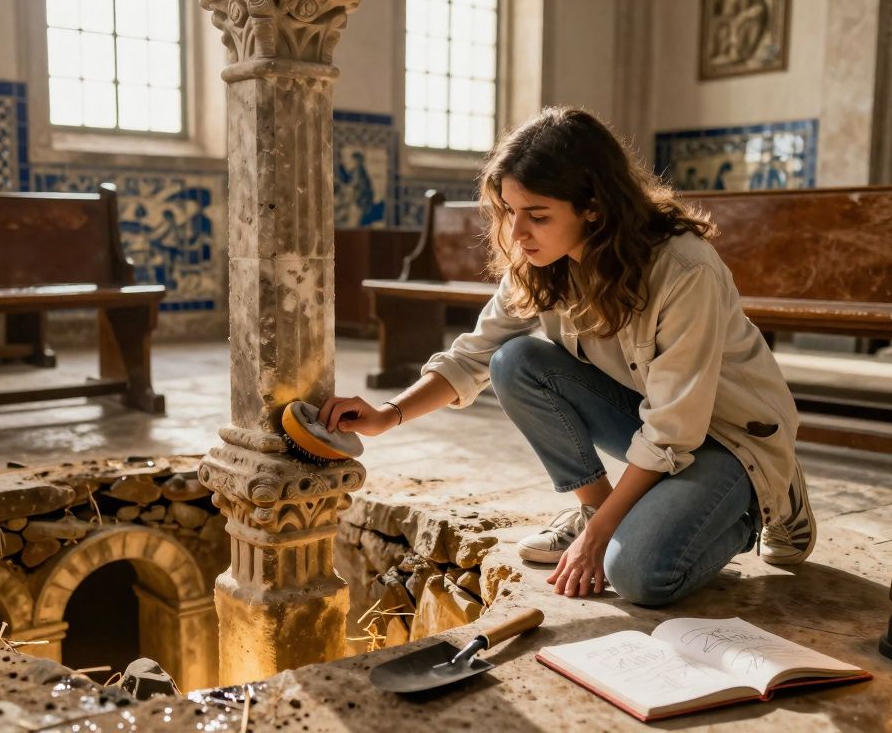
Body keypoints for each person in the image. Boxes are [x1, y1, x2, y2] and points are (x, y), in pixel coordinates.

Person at [317, 107, 814, 607]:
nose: (516, 233)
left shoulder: (684, 270)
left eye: (537, 216)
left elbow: (673, 428)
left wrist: (602, 539)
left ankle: (766, 505)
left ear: (593, 208)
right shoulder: (541, 263)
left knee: (640, 576)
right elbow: (475, 355)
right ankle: (593, 509)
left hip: (732, 439)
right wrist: (388, 415)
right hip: (657, 421)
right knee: (514, 361)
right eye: (510, 211)